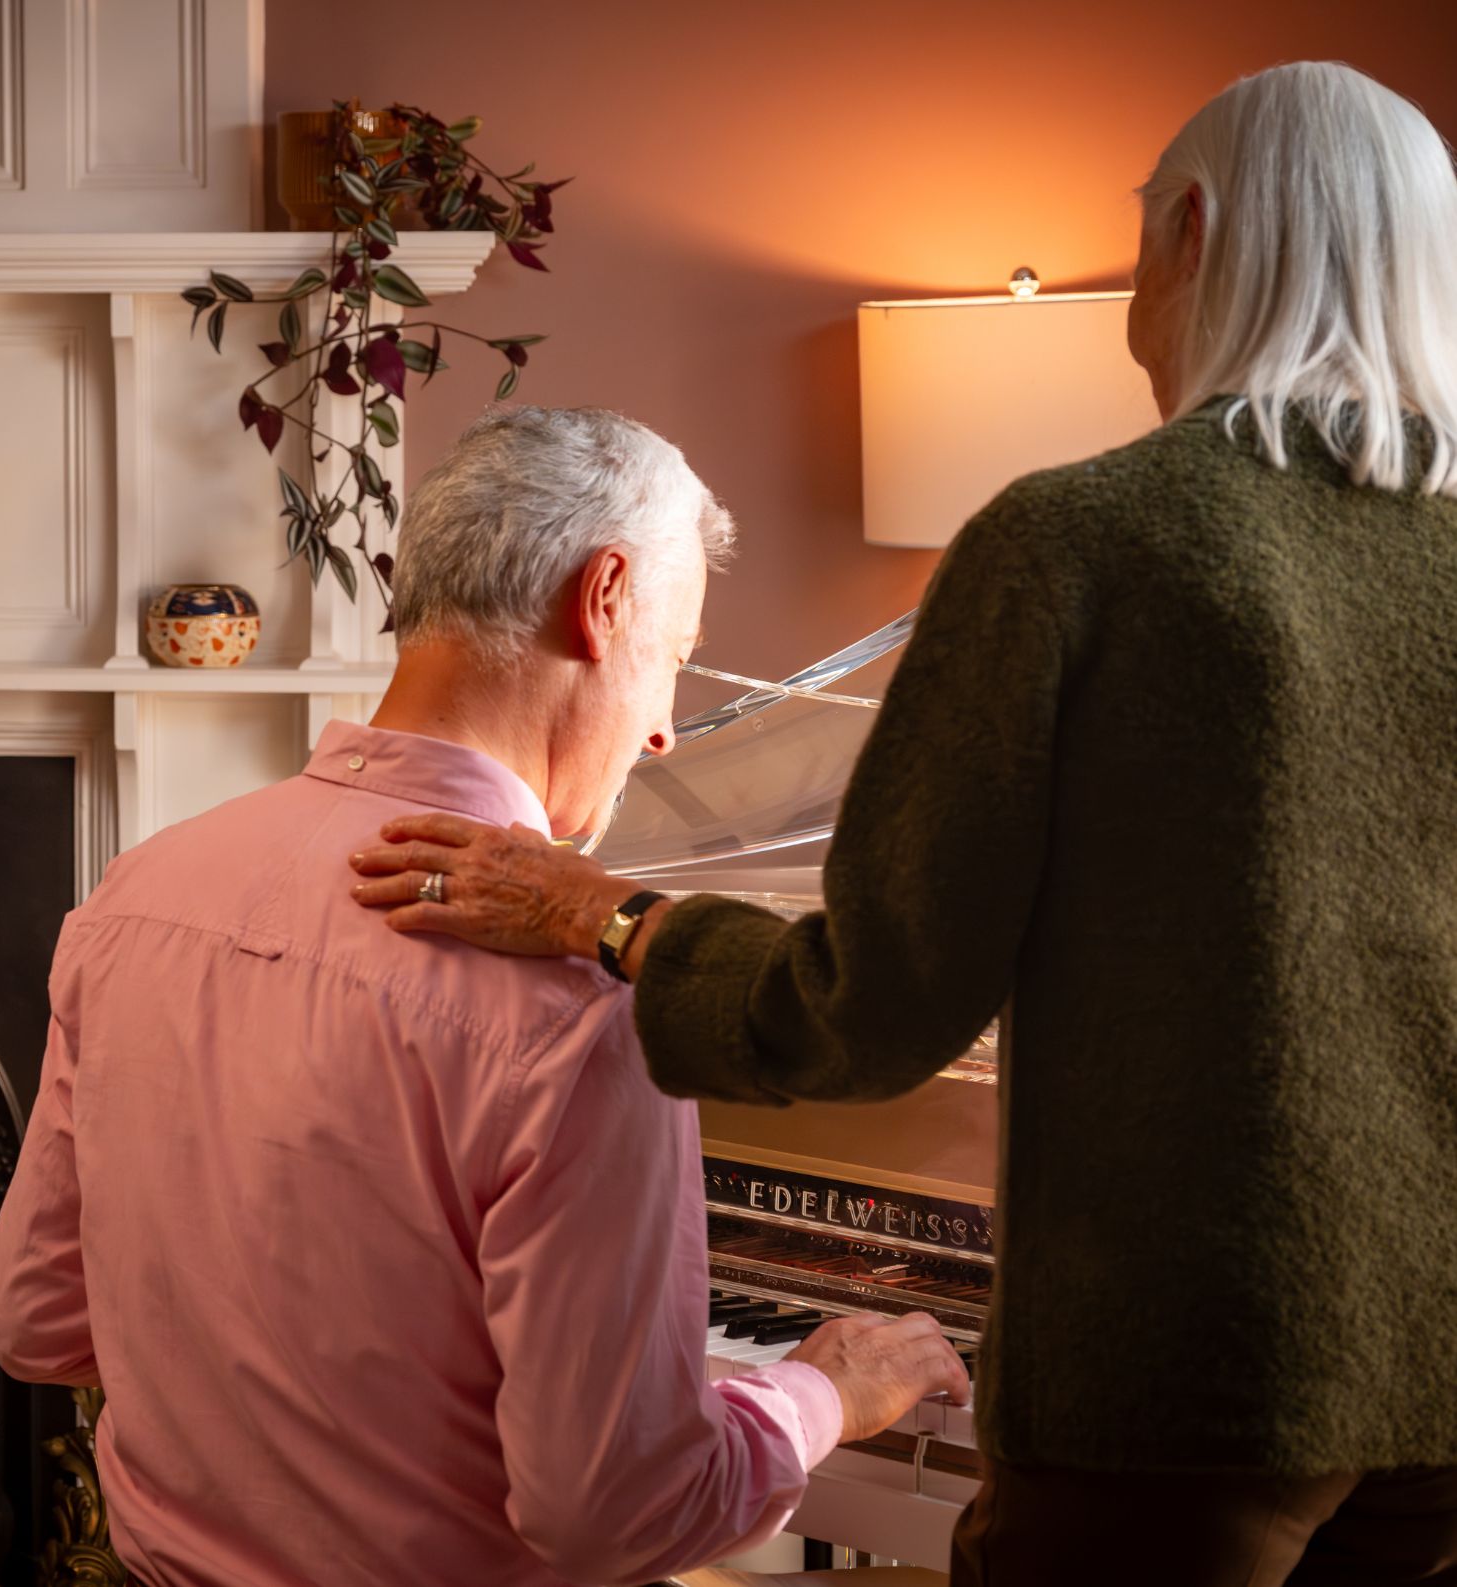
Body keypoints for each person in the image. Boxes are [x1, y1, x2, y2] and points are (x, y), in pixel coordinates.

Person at [349, 62, 1457, 1587]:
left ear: (1192, 235)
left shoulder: (1077, 540)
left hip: (1199, 1366)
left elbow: (868, 1012)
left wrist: (597, 912)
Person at [0, 406, 966, 1586]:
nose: (662, 731)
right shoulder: (581, 1007)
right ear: (604, 601)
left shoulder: (139, 891)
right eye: (677, 658)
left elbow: (35, 1325)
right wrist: (820, 1390)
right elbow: (616, 1515)